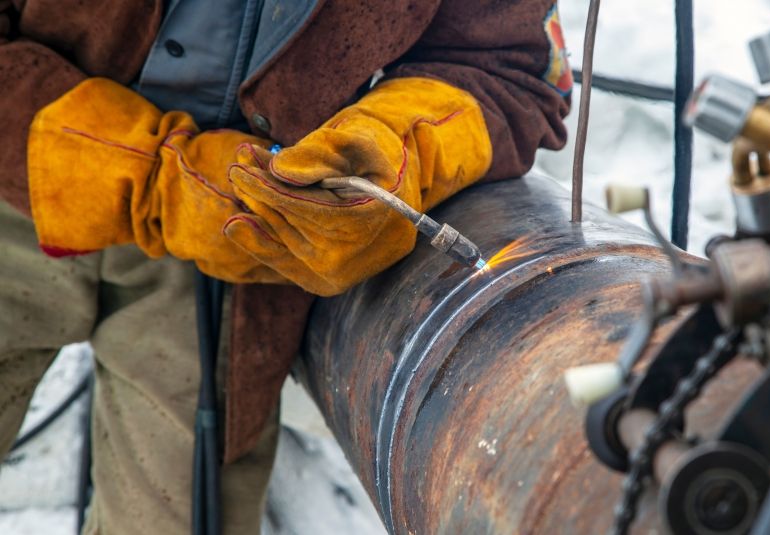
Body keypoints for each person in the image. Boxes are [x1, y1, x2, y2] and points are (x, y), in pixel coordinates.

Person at [0, 0, 570, 532]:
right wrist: (155, 180)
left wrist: (400, 143)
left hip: (239, 251)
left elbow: (508, 71)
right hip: (17, 174)